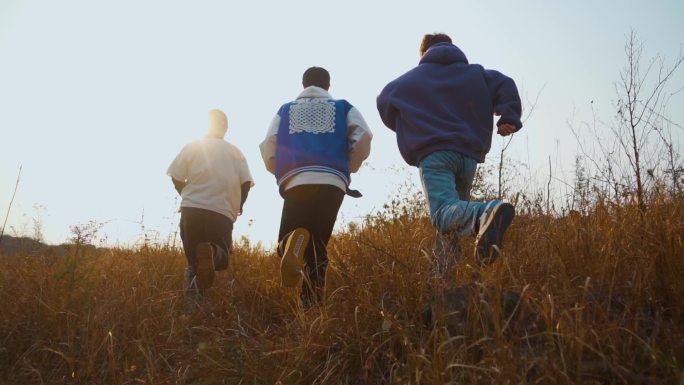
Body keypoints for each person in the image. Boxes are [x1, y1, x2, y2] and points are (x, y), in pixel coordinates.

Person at [376, 33, 522, 276]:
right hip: (468, 157)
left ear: (424, 53)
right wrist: (508, 116)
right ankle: (445, 279)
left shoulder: (410, 80)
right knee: (454, 219)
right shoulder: (477, 74)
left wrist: (410, 124)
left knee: (444, 213)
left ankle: (486, 213)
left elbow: (384, 101)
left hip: (435, 155)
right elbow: (505, 84)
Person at [260, 66, 372, 305]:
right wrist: (348, 166)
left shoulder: (286, 109)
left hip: (297, 181)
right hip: (332, 182)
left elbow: (268, 144)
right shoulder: (343, 107)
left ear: (303, 85)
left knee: (287, 243)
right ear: (328, 86)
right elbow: (364, 135)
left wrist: (279, 170)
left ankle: (291, 240)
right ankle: (310, 305)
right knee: (319, 245)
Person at [167, 109, 254, 308]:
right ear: (225, 128)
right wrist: (239, 205)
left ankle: (192, 311)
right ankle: (213, 252)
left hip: (192, 209)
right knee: (220, 259)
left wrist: (187, 194)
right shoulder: (235, 152)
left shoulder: (192, 146)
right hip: (221, 212)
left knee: (194, 263)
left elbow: (176, 175)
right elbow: (246, 182)